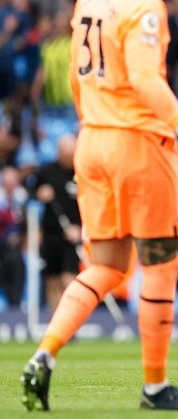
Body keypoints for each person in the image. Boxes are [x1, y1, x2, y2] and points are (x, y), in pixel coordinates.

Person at [20, 0, 178, 412]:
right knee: (162, 261)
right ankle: (155, 387)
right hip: (137, 143)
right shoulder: (145, 4)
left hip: (91, 142)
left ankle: (45, 353)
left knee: (105, 264)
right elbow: (146, 79)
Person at [34, 134, 81, 313]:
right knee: (52, 280)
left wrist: (80, 228)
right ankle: (56, 322)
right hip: (51, 233)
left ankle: (69, 320)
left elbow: (92, 204)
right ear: (59, 153)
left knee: (69, 280)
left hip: (72, 236)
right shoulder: (47, 172)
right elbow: (28, 186)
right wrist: (39, 192)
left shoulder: (81, 173)